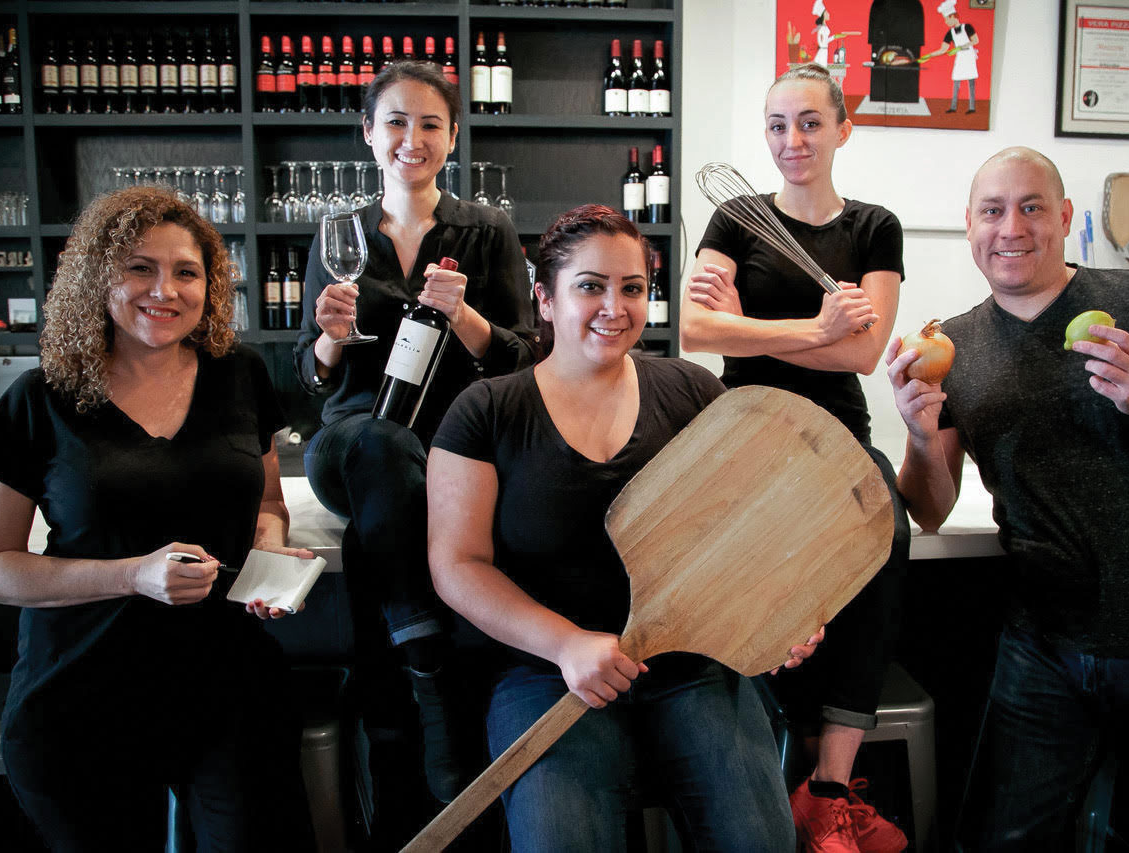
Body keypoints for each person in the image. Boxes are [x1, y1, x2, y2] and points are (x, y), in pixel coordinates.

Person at [886, 146, 1129, 850]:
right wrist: (918, 431)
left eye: (1031, 207)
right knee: (1000, 837)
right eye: (992, 211)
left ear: (1065, 217)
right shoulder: (955, 344)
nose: (1011, 227)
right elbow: (930, 506)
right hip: (1045, 642)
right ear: (969, 225)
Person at [427, 204, 818, 851]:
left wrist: (784, 609)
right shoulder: (487, 411)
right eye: (590, 286)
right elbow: (457, 565)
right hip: (546, 672)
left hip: (691, 660)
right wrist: (568, 644)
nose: (615, 305)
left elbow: (757, 525)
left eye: (632, 287)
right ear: (545, 299)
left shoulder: (693, 392)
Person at [0, 186, 315, 851]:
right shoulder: (38, 398)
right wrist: (133, 575)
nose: (165, 289)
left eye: (187, 271)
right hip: (83, 691)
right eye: (140, 267)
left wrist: (272, 557)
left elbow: (269, 503)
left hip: (225, 684)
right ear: (97, 275)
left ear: (210, 284)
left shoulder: (240, 374)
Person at [293, 60, 535, 819]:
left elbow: (527, 357)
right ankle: (431, 667)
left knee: (398, 480)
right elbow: (308, 374)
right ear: (368, 133)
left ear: (453, 136)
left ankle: (394, 712)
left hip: (452, 452)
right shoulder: (338, 235)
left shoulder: (486, 232)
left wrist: (466, 319)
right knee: (377, 445)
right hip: (351, 445)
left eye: (430, 123)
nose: (412, 138)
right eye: (395, 121)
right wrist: (331, 340)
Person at [680, 62, 910, 853]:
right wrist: (817, 331)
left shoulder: (875, 226)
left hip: (840, 432)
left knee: (887, 532)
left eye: (810, 122)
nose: (792, 140)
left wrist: (761, 327)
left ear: (844, 128)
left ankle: (827, 789)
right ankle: (758, 770)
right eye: (778, 125)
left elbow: (870, 350)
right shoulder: (735, 217)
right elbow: (697, 332)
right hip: (746, 427)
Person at [935, 1, 979, 114]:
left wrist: (961, 47)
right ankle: (953, 107)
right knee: (956, 82)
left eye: (946, 19)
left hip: (969, 56)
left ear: (953, 16)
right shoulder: (950, 33)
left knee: (971, 82)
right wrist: (931, 55)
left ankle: (972, 107)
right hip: (959, 59)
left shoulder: (967, 27)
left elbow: (975, 40)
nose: (945, 22)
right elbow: (943, 49)